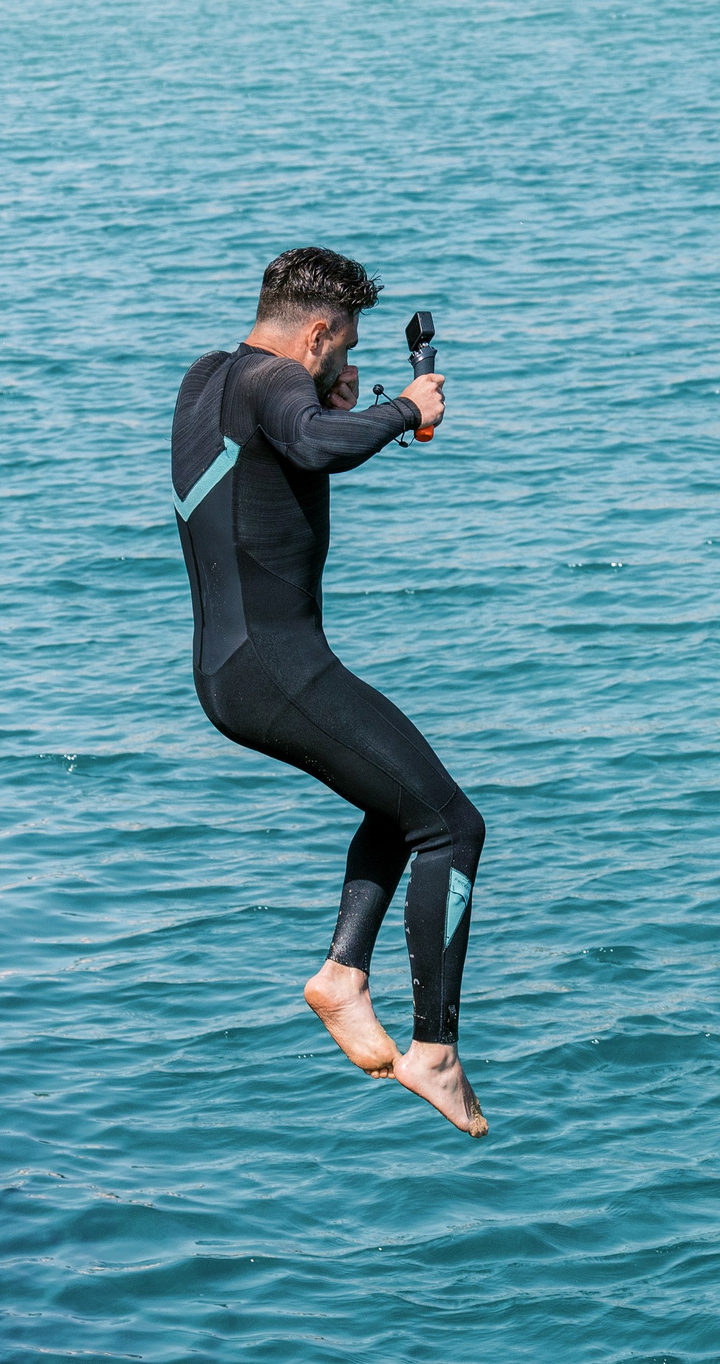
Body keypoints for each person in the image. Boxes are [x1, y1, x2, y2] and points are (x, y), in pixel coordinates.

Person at [170, 247, 488, 1137]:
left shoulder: (209, 379)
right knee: (454, 826)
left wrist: (333, 407)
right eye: (343, 348)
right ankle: (436, 1049)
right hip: (276, 667)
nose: (347, 364)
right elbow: (308, 436)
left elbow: (284, 457)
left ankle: (345, 974)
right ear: (317, 332)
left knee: (401, 804)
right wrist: (401, 408)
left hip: (231, 668)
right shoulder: (277, 385)